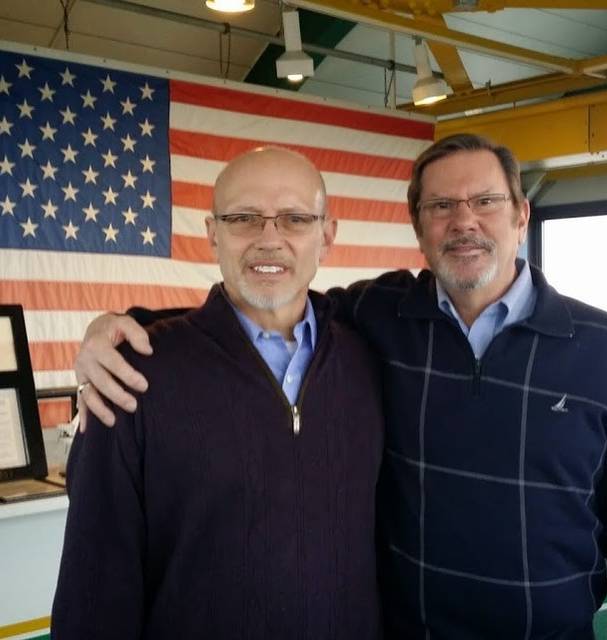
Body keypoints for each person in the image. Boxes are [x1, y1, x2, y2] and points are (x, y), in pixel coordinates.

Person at [74, 134, 607, 639]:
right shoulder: (381, 319)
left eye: (485, 202)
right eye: (441, 207)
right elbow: (267, 304)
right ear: (418, 228)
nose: (464, 222)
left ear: (521, 215)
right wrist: (124, 328)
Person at [53, 147, 384, 639]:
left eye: (294, 219)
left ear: (326, 236)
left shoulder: (368, 363)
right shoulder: (130, 376)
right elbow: (95, 584)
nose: (269, 240)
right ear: (213, 234)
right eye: (244, 218)